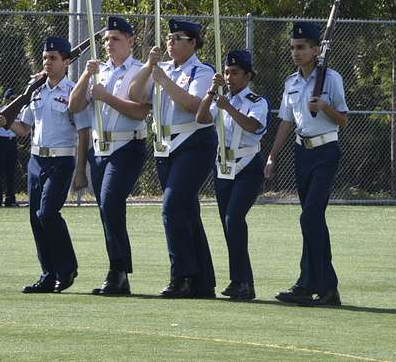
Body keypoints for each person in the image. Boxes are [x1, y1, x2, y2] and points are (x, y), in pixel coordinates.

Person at [0, 36, 91, 294]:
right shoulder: (34, 90)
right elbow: (24, 128)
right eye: (45, 58)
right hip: (37, 160)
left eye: (53, 58)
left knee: (47, 213)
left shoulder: (73, 91)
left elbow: (83, 132)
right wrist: (5, 121)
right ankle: (48, 273)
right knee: (35, 218)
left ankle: (66, 269)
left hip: (61, 160)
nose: (47, 62)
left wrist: (81, 169)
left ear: (67, 62)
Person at [128, 18, 217, 298]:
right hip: (166, 146)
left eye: (178, 38)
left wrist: (164, 80)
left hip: (193, 142)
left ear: (193, 43)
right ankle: (202, 280)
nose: (171, 42)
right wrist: (148, 67)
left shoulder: (202, 71)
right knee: (187, 212)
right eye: (169, 37)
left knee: (171, 208)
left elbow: (193, 104)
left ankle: (182, 275)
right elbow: (135, 94)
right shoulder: (161, 68)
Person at [264, 21, 349, 308]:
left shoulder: (331, 79)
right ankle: (307, 283)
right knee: (311, 220)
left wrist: (325, 108)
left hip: (326, 151)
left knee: (310, 217)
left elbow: (343, 120)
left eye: (301, 48)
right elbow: (286, 122)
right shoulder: (291, 83)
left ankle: (328, 286)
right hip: (303, 153)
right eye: (293, 48)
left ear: (316, 50)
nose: (296, 53)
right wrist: (273, 155)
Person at [69, 15, 151, 296]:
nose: (109, 44)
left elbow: (140, 111)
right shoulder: (99, 71)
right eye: (105, 40)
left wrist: (106, 97)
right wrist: (85, 75)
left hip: (127, 146)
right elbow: (75, 105)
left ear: (130, 40)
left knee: (110, 200)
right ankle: (117, 272)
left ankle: (118, 270)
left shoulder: (139, 70)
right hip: (100, 148)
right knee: (106, 209)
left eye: (115, 38)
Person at [196, 50, 268, 301]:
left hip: (248, 165)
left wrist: (228, 108)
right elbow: (201, 117)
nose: (229, 77)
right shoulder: (220, 98)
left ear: (248, 76)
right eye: (226, 72)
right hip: (224, 166)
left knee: (234, 219)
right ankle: (241, 281)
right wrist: (210, 93)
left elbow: (252, 126)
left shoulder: (257, 101)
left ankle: (243, 281)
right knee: (229, 225)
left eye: (235, 73)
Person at [0, 88, 19, 207]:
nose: (12, 101)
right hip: (1, 141)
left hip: (11, 142)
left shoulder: (18, 111)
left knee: (11, 171)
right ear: (5, 99)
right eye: (10, 99)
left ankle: (10, 199)